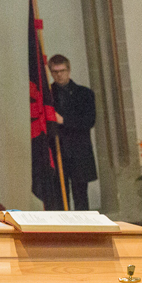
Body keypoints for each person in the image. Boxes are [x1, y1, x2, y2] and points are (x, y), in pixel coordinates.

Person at [48, 54, 97, 211]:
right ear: (50, 72)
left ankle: (85, 232)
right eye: (55, 71)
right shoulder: (47, 96)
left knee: (81, 196)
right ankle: (64, 233)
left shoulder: (84, 94)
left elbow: (89, 121)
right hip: (57, 152)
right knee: (59, 198)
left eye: (62, 70)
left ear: (69, 70)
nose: (59, 75)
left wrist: (64, 120)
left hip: (78, 151)